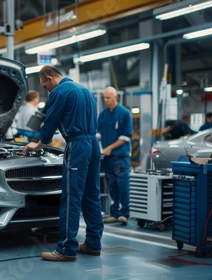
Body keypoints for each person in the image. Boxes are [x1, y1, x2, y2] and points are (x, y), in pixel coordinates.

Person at [23, 66, 103, 262]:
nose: (46, 90)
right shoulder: (85, 90)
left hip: (77, 146)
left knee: (71, 197)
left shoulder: (59, 92)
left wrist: (37, 144)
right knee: (92, 195)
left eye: (45, 86)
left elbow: (49, 125)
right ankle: (93, 244)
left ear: (49, 79)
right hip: (93, 144)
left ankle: (66, 248)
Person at [98, 87, 133, 225]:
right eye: (104, 98)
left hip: (121, 156)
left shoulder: (125, 114)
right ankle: (114, 213)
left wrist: (109, 148)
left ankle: (124, 213)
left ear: (115, 97)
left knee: (122, 184)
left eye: (108, 97)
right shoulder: (103, 115)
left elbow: (125, 137)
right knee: (111, 184)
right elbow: (99, 133)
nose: (106, 100)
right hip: (107, 157)